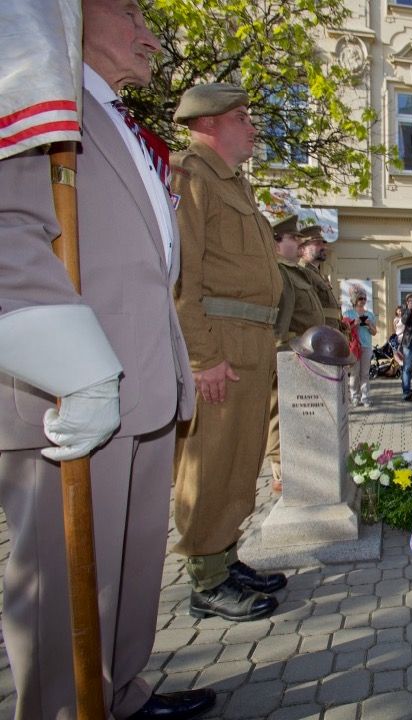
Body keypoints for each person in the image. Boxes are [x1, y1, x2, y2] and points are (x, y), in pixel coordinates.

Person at [0, 1, 216, 717]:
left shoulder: (115, 120)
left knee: (128, 572)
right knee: (67, 595)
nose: (151, 36)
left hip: (142, 381)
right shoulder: (30, 90)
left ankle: (121, 694)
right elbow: (6, 231)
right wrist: (69, 363)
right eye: (129, 12)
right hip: (71, 389)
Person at [171, 82, 287, 623]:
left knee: (240, 462)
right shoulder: (190, 176)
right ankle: (205, 580)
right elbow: (181, 280)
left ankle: (224, 557)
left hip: (251, 341)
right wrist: (202, 357)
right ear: (209, 123)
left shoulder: (233, 184)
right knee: (211, 462)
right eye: (242, 117)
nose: (253, 126)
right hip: (220, 344)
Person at [266, 214, 322, 492]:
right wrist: (285, 354)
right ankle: (281, 469)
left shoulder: (294, 271)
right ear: (277, 242)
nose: (299, 242)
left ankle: (298, 460)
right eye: (293, 238)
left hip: (304, 354)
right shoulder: (278, 272)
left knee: (294, 412)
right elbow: (280, 323)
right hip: (288, 355)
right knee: (280, 410)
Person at [297, 226, 340, 327]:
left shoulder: (317, 274)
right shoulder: (303, 272)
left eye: (323, 243)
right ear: (303, 249)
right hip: (318, 331)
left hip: (327, 331)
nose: (324, 247)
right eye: (317, 243)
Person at [344, 292, 378, 407]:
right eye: (360, 298)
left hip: (366, 346)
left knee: (365, 373)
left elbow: (374, 332)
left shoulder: (370, 314)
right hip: (354, 347)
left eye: (364, 298)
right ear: (355, 300)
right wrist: (354, 323)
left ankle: (365, 397)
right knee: (354, 373)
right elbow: (345, 330)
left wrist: (369, 325)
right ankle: (354, 397)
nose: (363, 300)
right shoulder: (348, 313)